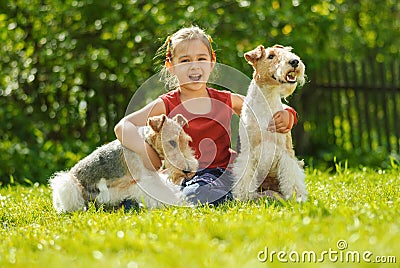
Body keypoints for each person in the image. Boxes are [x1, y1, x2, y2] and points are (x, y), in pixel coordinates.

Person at [114, 26, 298, 206]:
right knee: (190, 193)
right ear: (171, 66)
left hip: (224, 173)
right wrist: (148, 154)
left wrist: (289, 114)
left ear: (212, 62)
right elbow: (123, 126)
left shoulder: (225, 99)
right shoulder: (167, 103)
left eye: (201, 58)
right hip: (186, 177)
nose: (194, 66)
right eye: (185, 61)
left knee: (204, 193)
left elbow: (263, 107)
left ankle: (252, 196)